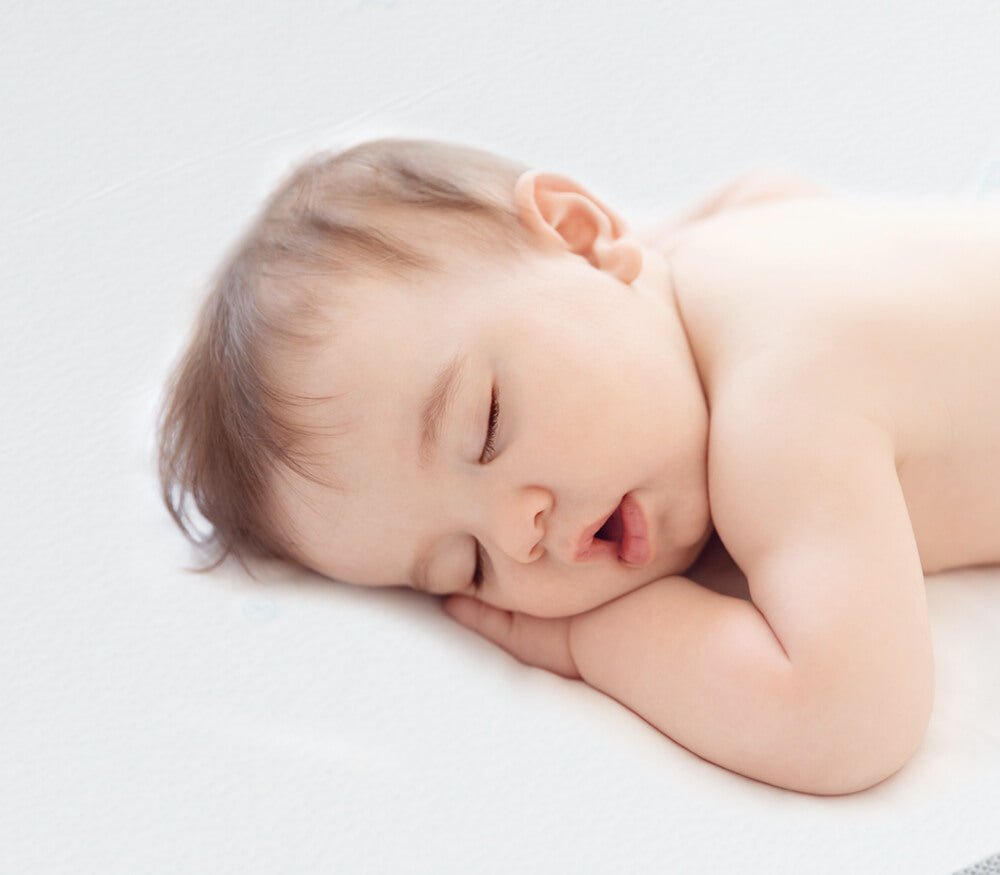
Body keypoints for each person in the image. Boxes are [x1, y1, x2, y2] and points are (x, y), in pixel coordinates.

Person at [157, 137, 1000, 795]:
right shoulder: (733, 235)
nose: (518, 533)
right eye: (469, 564)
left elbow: (848, 718)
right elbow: (761, 189)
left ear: (586, 234)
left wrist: (588, 639)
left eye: (487, 428)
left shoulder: (779, 416)